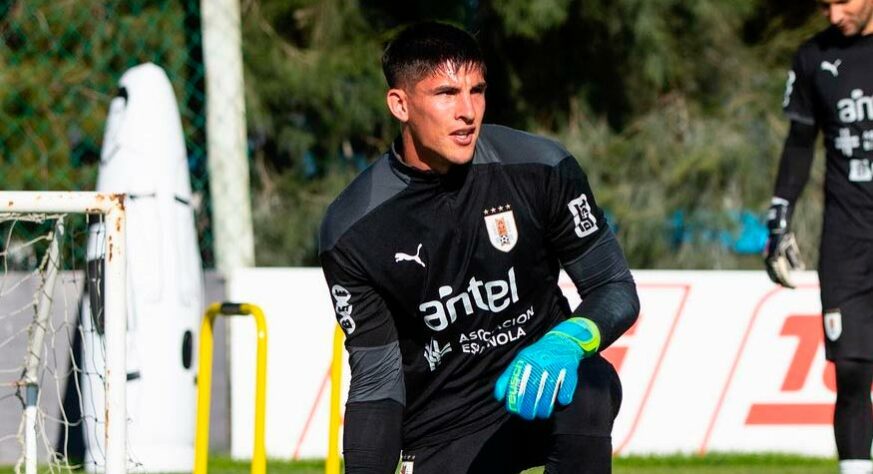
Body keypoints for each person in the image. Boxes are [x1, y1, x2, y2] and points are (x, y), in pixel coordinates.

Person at [319, 21, 639, 474]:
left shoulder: (542, 169)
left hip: (539, 391)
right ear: (400, 104)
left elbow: (614, 287)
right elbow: (378, 380)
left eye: (478, 90)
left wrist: (566, 341)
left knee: (587, 387)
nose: (468, 111)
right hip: (441, 429)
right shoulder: (353, 229)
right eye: (447, 94)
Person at [765, 1, 873, 472]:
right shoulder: (813, 57)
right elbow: (799, 142)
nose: (833, 15)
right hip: (846, 237)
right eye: (825, 4)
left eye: (843, 2)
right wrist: (779, 216)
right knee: (850, 370)